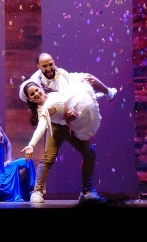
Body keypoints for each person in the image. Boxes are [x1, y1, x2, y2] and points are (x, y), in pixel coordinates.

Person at [23, 52, 115, 203]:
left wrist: (73, 112)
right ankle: (37, 191)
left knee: (90, 152)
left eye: (50, 64)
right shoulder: (36, 84)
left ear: (54, 62)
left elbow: (71, 94)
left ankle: (86, 191)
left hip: (71, 123)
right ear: (39, 67)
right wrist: (31, 145)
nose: (48, 68)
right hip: (57, 126)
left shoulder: (61, 75)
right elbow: (42, 122)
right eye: (44, 66)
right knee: (49, 157)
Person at [0, 103, 35, 202]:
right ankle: (17, 191)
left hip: (4, 168)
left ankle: (33, 190)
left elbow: (8, 143)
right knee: (17, 171)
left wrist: (9, 159)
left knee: (28, 161)